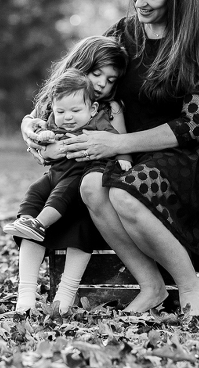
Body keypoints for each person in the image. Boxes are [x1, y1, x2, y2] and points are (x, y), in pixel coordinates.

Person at [22, 0, 199, 319]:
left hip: (187, 154)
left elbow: (193, 125)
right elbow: (75, 82)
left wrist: (116, 144)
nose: (140, 2)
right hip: (127, 147)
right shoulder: (124, 34)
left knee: (125, 195)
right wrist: (31, 122)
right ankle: (151, 286)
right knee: (91, 187)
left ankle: (192, 289)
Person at [9, 36, 129, 313]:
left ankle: (65, 295)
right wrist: (40, 139)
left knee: (79, 228)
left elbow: (121, 142)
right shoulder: (61, 101)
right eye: (96, 74)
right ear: (81, 65)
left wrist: (124, 160)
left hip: (88, 182)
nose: (102, 83)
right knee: (32, 206)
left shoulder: (110, 109)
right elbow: (36, 126)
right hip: (58, 176)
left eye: (110, 80)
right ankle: (25, 294)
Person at [4, 68, 132, 242]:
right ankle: (25, 219)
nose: (68, 117)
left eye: (75, 111)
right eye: (61, 112)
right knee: (35, 190)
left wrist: (123, 158)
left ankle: (40, 224)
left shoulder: (98, 121)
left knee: (61, 194)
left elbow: (116, 141)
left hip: (78, 172)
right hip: (55, 172)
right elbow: (42, 134)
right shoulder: (54, 120)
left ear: (92, 109)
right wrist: (44, 136)